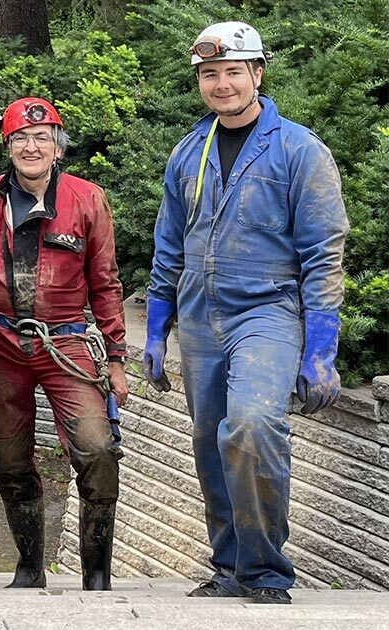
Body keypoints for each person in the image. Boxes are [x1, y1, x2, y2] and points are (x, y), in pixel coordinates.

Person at [143, 21, 348, 605]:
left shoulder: (299, 149)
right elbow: (169, 244)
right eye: (211, 74)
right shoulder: (190, 151)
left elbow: (323, 251)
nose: (222, 83)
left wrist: (321, 351)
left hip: (268, 310)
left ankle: (263, 569)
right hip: (201, 316)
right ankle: (229, 564)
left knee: (253, 425)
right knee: (210, 439)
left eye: (234, 71)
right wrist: (157, 329)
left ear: (258, 74)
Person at [0, 97, 128, 591]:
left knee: (97, 449)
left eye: (41, 138)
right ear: (7, 146)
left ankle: (97, 574)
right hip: (0, 342)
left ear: (57, 146)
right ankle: (30, 567)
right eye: (19, 139)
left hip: (67, 343)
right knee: (9, 458)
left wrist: (116, 360)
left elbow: (106, 283)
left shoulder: (87, 198)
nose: (30, 147)